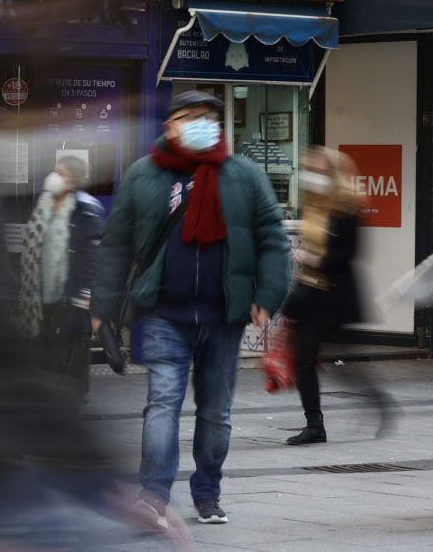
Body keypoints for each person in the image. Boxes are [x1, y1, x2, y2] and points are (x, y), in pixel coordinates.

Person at [90, 90, 290, 529]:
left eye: (209, 117)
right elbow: (116, 245)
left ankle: (207, 492)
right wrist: (102, 303)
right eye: (191, 116)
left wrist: (269, 296)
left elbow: (272, 238)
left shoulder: (244, 175)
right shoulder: (144, 176)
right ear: (170, 126)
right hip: (165, 313)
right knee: (162, 402)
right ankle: (153, 495)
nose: (202, 123)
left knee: (216, 411)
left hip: (224, 315)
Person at [283, 146, 394, 445]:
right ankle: (314, 425)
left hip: (335, 296)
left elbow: (351, 253)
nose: (312, 177)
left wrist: (315, 258)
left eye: (318, 172)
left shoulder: (348, 207)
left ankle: (378, 400)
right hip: (309, 295)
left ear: (332, 174)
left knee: (340, 362)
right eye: (310, 172)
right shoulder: (314, 205)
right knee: (304, 361)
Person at [18, 155, 105, 402]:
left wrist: (86, 293)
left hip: (72, 295)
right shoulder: (43, 203)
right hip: (41, 294)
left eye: (62, 173)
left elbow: (92, 255)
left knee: (71, 352)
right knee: (45, 347)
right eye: (55, 171)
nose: (56, 177)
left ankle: (70, 399)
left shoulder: (86, 208)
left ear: (74, 180)